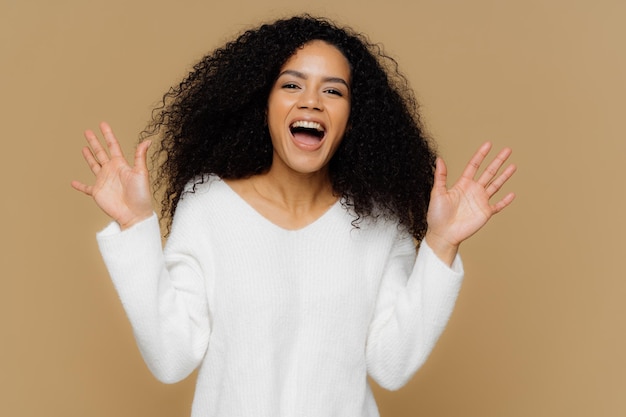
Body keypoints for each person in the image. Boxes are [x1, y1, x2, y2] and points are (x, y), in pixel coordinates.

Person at [72, 15, 516, 417]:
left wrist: (440, 245)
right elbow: (172, 359)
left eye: (333, 90)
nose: (312, 102)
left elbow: (391, 366)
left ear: (352, 116)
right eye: (291, 85)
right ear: (262, 104)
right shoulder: (209, 206)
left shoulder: (381, 223)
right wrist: (134, 228)